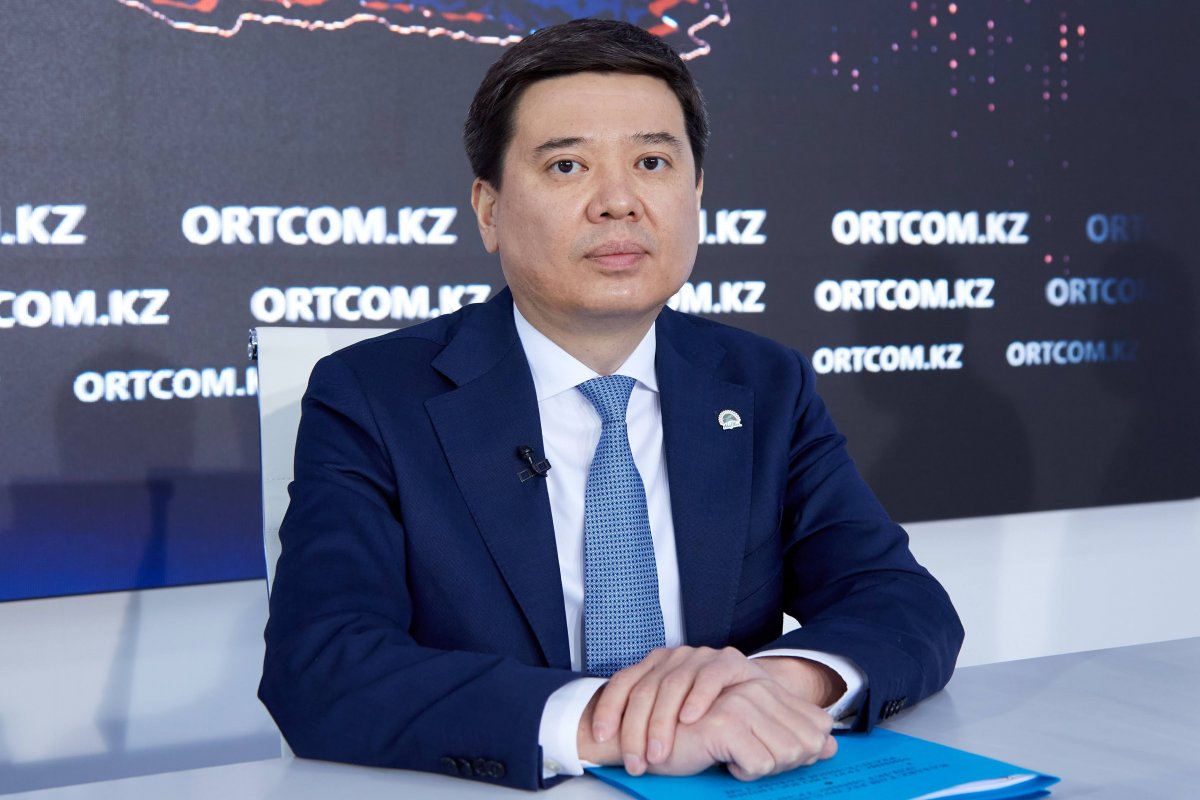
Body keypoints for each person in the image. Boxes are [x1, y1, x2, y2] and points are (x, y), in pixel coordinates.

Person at [259, 18, 964, 791]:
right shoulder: (372, 396)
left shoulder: (765, 384)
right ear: (489, 209)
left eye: (652, 162)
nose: (619, 202)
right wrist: (617, 723)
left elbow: (902, 603)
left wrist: (772, 687)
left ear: (696, 193)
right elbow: (320, 664)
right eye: (567, 166)